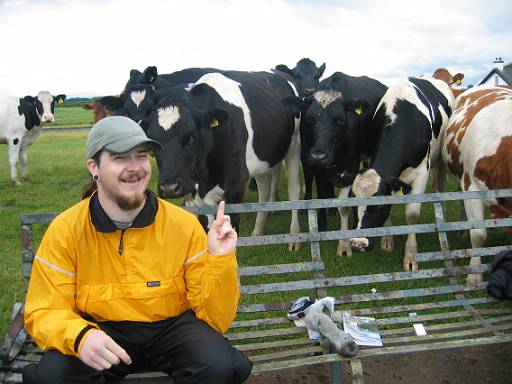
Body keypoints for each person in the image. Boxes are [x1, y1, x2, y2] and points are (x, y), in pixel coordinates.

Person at [22, 116, 253, 384]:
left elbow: (214, 319)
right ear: (93, 167)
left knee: (219, 366)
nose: (135, 168)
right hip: (99, 329)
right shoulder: (66, 230)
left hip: (171, 328)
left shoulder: (184, 225)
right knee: (53, 376)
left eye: (142, 156)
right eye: (120, 158)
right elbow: (43, 310)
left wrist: (219, 260)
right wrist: (79, 336)